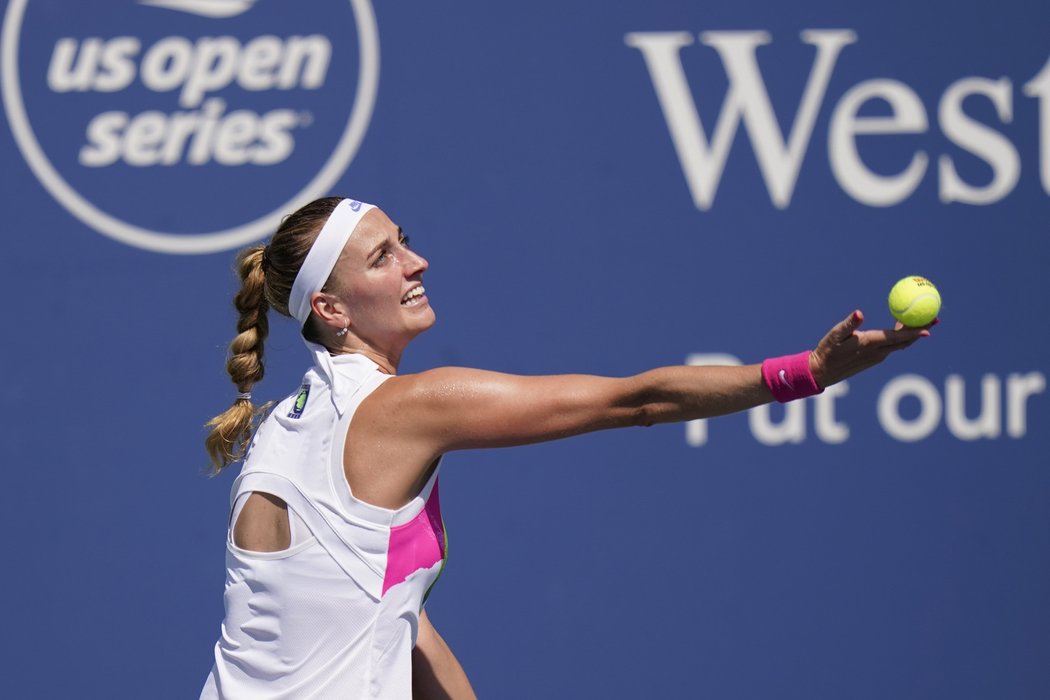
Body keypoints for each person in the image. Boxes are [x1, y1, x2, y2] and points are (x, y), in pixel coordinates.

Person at [199, 197, 932, 699]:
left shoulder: (277, 431)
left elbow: (394, 623)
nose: (416, 263)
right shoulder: (401, 408)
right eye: (384, 257)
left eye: (405, 242)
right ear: (331, 309)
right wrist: (808, 372)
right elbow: (635, 401)